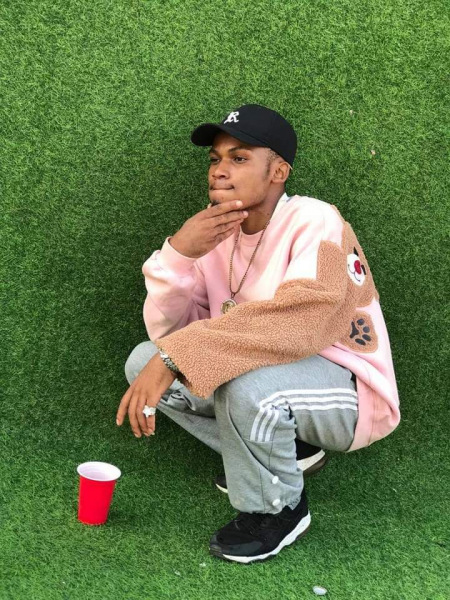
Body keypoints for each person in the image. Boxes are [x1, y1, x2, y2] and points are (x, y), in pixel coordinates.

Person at [117, 104, 400, 564]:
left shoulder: (314, 219)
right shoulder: (215, 233)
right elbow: (173, 332)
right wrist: (178, 256)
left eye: (240, 158)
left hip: (347, 390)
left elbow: (302, 321)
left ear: (278, 172)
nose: (220, 170)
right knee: (142, 359)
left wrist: (176, 355)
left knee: (241, 385)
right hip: (269, 381)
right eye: (215, 159)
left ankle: (278, 510)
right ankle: (290, 451)